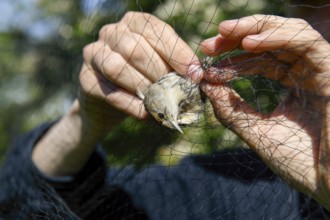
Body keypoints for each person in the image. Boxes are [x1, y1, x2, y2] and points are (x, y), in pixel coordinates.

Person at [1, 10, 330, 219]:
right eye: (306, 5)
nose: (311, 31)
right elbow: (24, 207)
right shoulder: (230, 187)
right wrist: (82, 125)